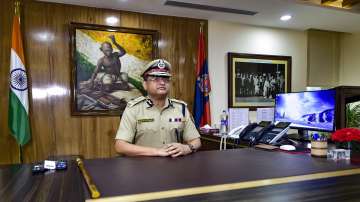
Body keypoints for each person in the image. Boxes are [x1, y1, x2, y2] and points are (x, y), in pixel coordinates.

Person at [114, 59, 201, 157]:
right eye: (155, 79)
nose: (162, 83)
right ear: (145, 85)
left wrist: (186, 148)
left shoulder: (181, 108)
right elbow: (120, 146)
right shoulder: (134, 109)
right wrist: (157, 151)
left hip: (174, 167)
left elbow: (196, 141)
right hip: (141, 167)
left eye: (165, 79)